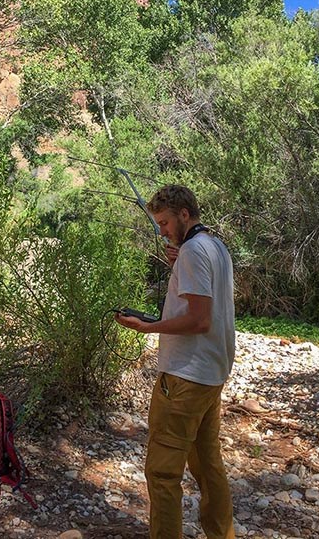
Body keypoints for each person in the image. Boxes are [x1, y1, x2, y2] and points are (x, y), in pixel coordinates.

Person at [116, 185, 235, 539]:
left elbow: (200, 321)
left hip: (185, 377)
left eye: (166, 222)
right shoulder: (214, 247)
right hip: (210, 374)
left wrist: (149, 327)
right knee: (207, 464)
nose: (163, 231)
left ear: (184, 214)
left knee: (163, 472)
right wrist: (179, 262)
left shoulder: (194, 251)